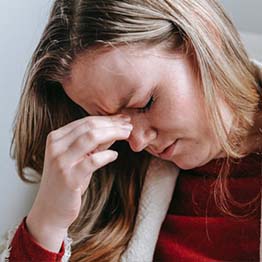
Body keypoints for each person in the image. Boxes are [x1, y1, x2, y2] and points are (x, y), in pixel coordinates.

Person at [0, 0, 261, 261]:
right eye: (106, 122)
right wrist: (46, 225)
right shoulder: (103, 184)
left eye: (145, 104)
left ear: (205, 38)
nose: (136, 142)